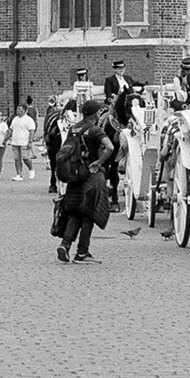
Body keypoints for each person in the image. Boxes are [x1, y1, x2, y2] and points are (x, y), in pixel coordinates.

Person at [56, 99, 114, 262]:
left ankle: (64, 245)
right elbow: (110, 147)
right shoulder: (95, 130)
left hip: (75, 175)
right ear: (96, 113)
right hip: (91, 175)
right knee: (89, 214)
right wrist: (99, 162)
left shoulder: (73, 128)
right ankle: (82, 251)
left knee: (75, 212)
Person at [7, 104, 36, 181]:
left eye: (20, 109)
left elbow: (31, 131)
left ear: (24, 110)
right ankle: (19, 174)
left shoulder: (28, 120)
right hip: (15, 142)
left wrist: (30, 141)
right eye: (17, 109)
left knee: (26, 158)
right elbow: (11, 129)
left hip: (24, 142)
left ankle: (31, 169)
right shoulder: (15, 119)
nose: (18, 110)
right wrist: (6, 138)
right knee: (17, 159)